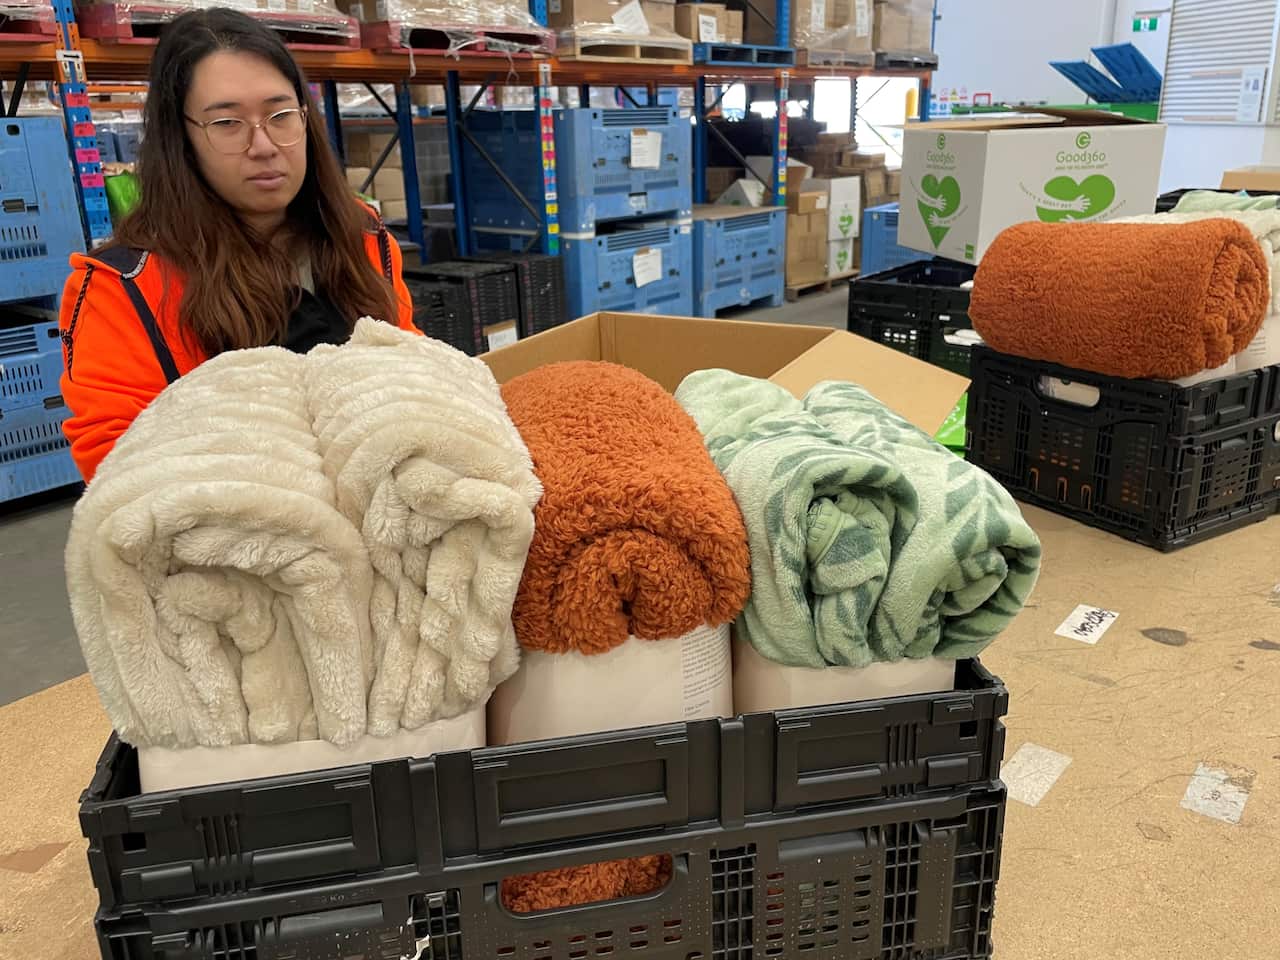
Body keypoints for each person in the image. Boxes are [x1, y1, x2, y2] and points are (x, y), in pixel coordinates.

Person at [59, 7, 416, 482]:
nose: (264, 144)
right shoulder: (120, 288)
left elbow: (414, 372)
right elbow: (118, 465)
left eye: (280, 115)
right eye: (227, 124)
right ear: (180, 140)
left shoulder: (364, 238)